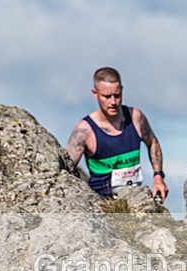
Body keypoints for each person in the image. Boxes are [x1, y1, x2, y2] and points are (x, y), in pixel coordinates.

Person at [66, 67, 168, 201]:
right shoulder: (84, 131)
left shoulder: (135, 117)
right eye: (106, 96)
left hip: (135, 200)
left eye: (117, 95)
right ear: (95, 93)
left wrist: (158, 176)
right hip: (101, 204)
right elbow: (66, 168)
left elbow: (152, 142)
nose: (113, 102)